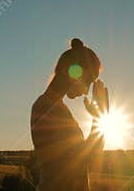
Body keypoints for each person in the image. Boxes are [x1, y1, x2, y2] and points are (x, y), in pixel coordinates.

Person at [30, 38, 108, 191]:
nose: (87, 91)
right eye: (89, 80)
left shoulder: (51, 107)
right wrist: (100, 117)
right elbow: (87, 160)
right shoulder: (47, 109)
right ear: (74, 73)